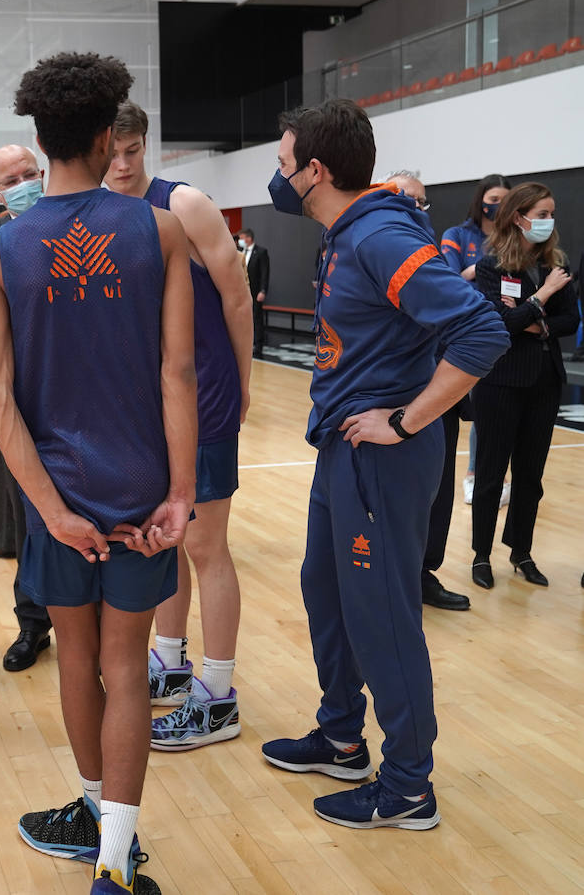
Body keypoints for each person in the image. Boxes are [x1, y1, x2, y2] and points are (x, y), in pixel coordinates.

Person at [259, 100, 507, 832]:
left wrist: (405, 420)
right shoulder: (350, 220)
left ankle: (406, 785)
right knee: (325, 590)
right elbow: (296, 186)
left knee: (383, 616)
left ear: (317, 171)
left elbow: (479, 329)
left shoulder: (382, 235)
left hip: (382, 454)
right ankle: (341, 736)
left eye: (284, 165)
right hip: (341, 446)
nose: (277, 178)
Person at [0, 53, 192, 895]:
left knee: (77, 664)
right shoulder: (161, 228)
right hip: (143, 491)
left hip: (58, 498)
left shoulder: (0, 251)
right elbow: (176, 373)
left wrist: (51, 511)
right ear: (112, 137)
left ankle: (90, 813)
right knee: (127, 666)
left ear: (39, 139)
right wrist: (181, 495)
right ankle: (115, 861)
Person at [103, 101, 250, 752]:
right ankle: (172, 658)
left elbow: (237, 295)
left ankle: (218, 696)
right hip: (147, 406)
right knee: (165, 535)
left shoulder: (184, 203)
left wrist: (243, 384)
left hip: (207, 397)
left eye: (133, 149)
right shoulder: (98, 210)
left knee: (205, 545)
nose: (124, 164)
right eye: (113, 151)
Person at [0, 143, 54, 672]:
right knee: (27, 524)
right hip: (18, 402)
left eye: (29, 174)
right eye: (11, 179)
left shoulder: (81, 226)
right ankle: (33, 625)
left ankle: (92, 628)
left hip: (77, 397)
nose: (23, 183)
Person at [469, 182, 577, 590]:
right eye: (543, 214)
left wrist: (535, 320)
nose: (549, 222)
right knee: (492, 473)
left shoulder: (557, 264)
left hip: (545, 381)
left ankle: (521, 551)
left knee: (530, 475)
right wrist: (544, 296)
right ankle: (481, 555)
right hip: (501, 381)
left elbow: (571, 321)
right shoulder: (492, 267)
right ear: (519, 217)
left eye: (552, 215)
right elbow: (500, 322)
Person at [380, 171, 472, 613]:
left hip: (435, 392)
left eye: (421, 202)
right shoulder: (369, 249)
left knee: (439, 490)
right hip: (387, 399)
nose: (415, 208)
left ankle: (422, 573)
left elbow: (472, 327)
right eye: (404, 198)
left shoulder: (431, 256)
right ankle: (392, 579)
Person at [440, 174, 511, 505]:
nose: (498, 205)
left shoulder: (513, 238)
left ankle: (492, 476)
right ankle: (470, 475)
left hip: (508, 331)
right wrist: (485, 267)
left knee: (498, 413)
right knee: (475, 409)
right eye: (493, 199)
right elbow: (449, 279)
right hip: (467, 333)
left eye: (505, 200)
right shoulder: (457, 235)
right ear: (481, 199)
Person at [237, 228, 268, 357]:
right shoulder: (239, 253)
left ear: (248, 238)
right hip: (243, 293)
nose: (240, 241)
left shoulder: (261, 252)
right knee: (245, 318)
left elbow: (265, 272)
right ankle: (247, 343)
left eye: (242, 238)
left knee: (257, 318)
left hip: (256, 292)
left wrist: (263, 290)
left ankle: (258, 344)